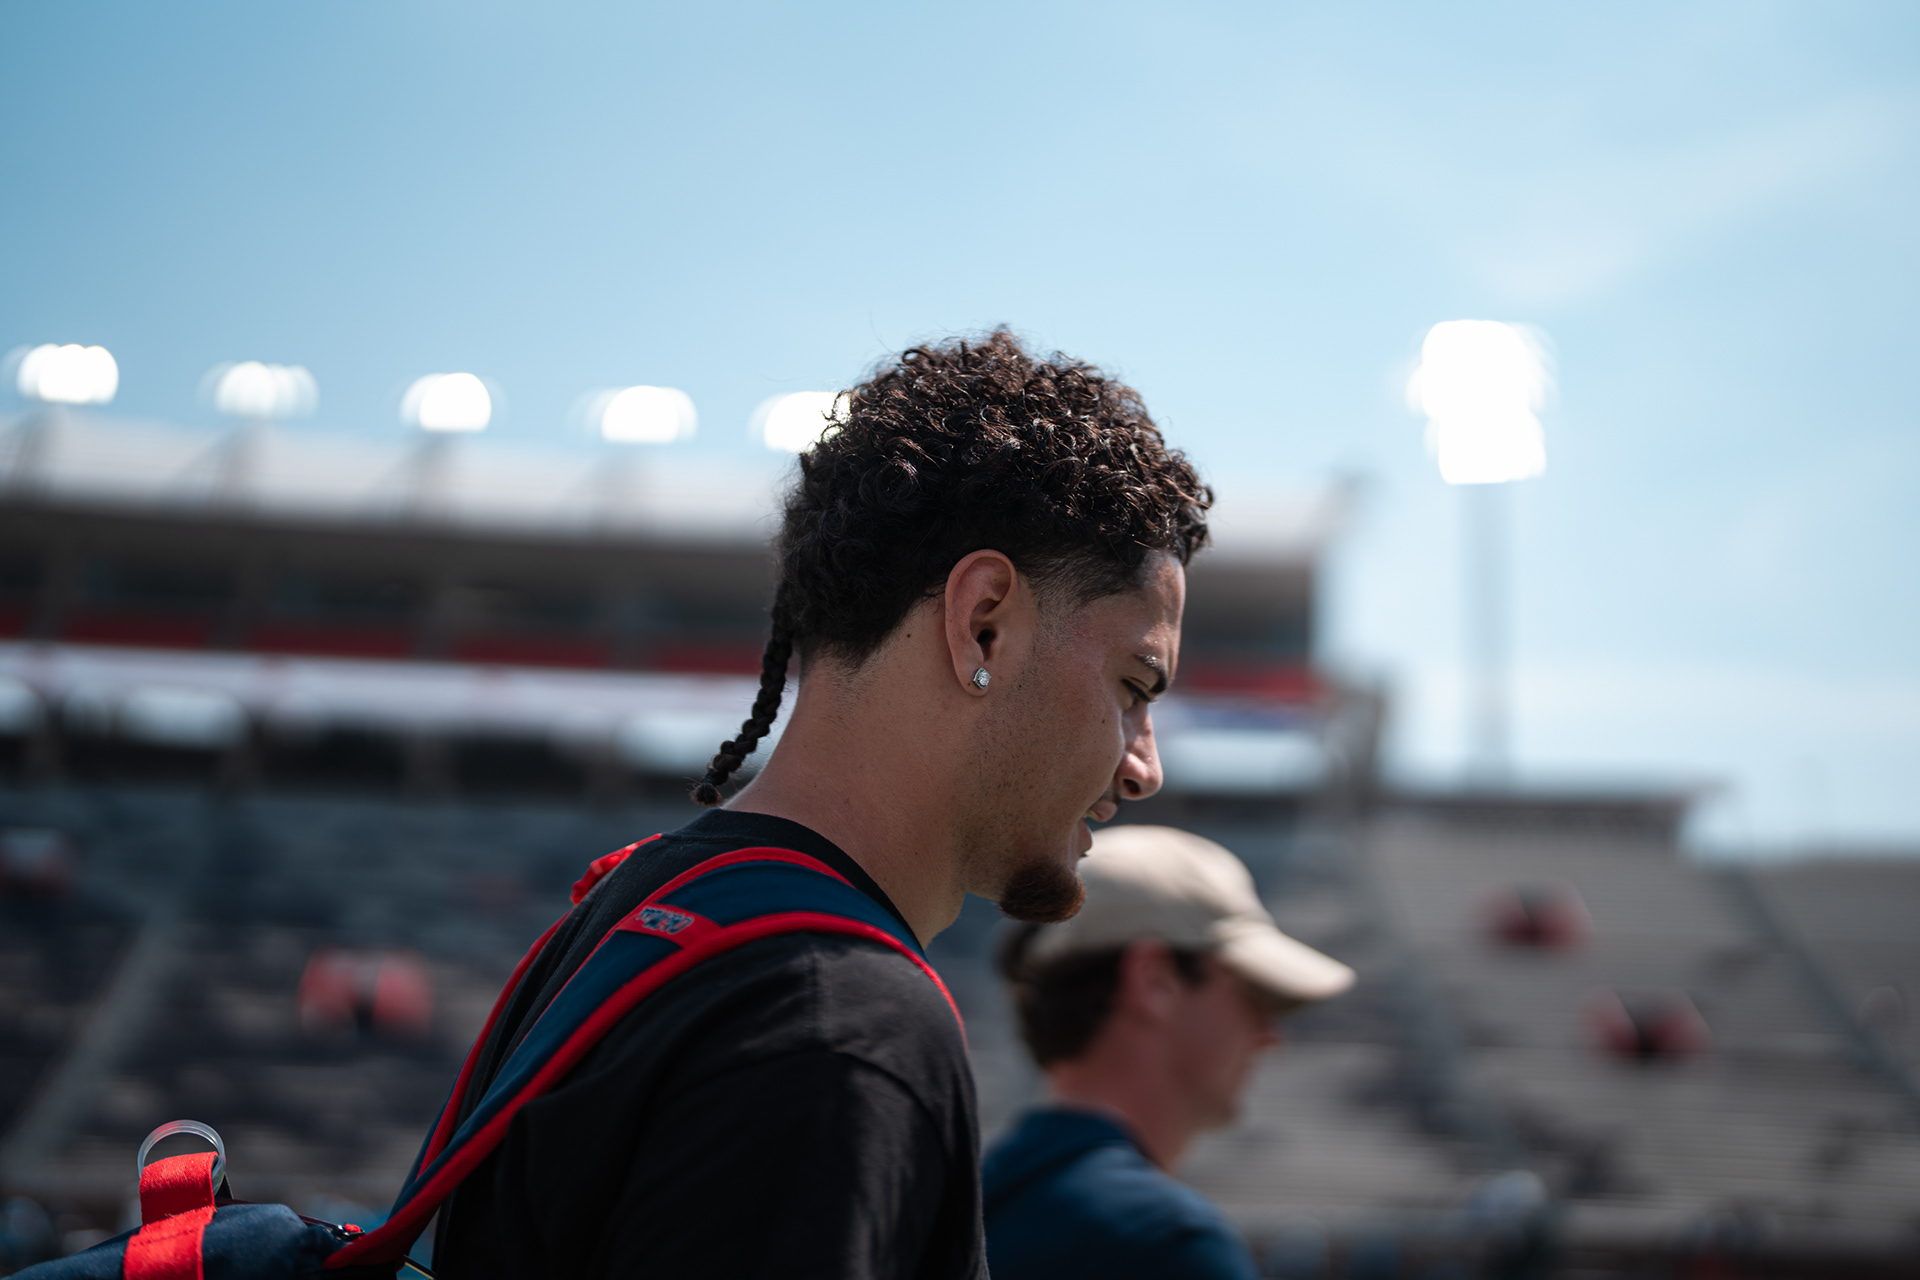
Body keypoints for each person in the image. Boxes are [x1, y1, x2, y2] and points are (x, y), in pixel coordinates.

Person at [432, 330, 1212, 1279]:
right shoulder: (840, 1024)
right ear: (985, 624)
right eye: (1134, 686)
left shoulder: (631, 909)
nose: (1144, 768)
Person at [984, 824, 1356, 1280]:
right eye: (1255, 993)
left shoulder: (964, 1199)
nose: (1270, 1035)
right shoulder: (1164, 1241)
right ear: (1155, 981)